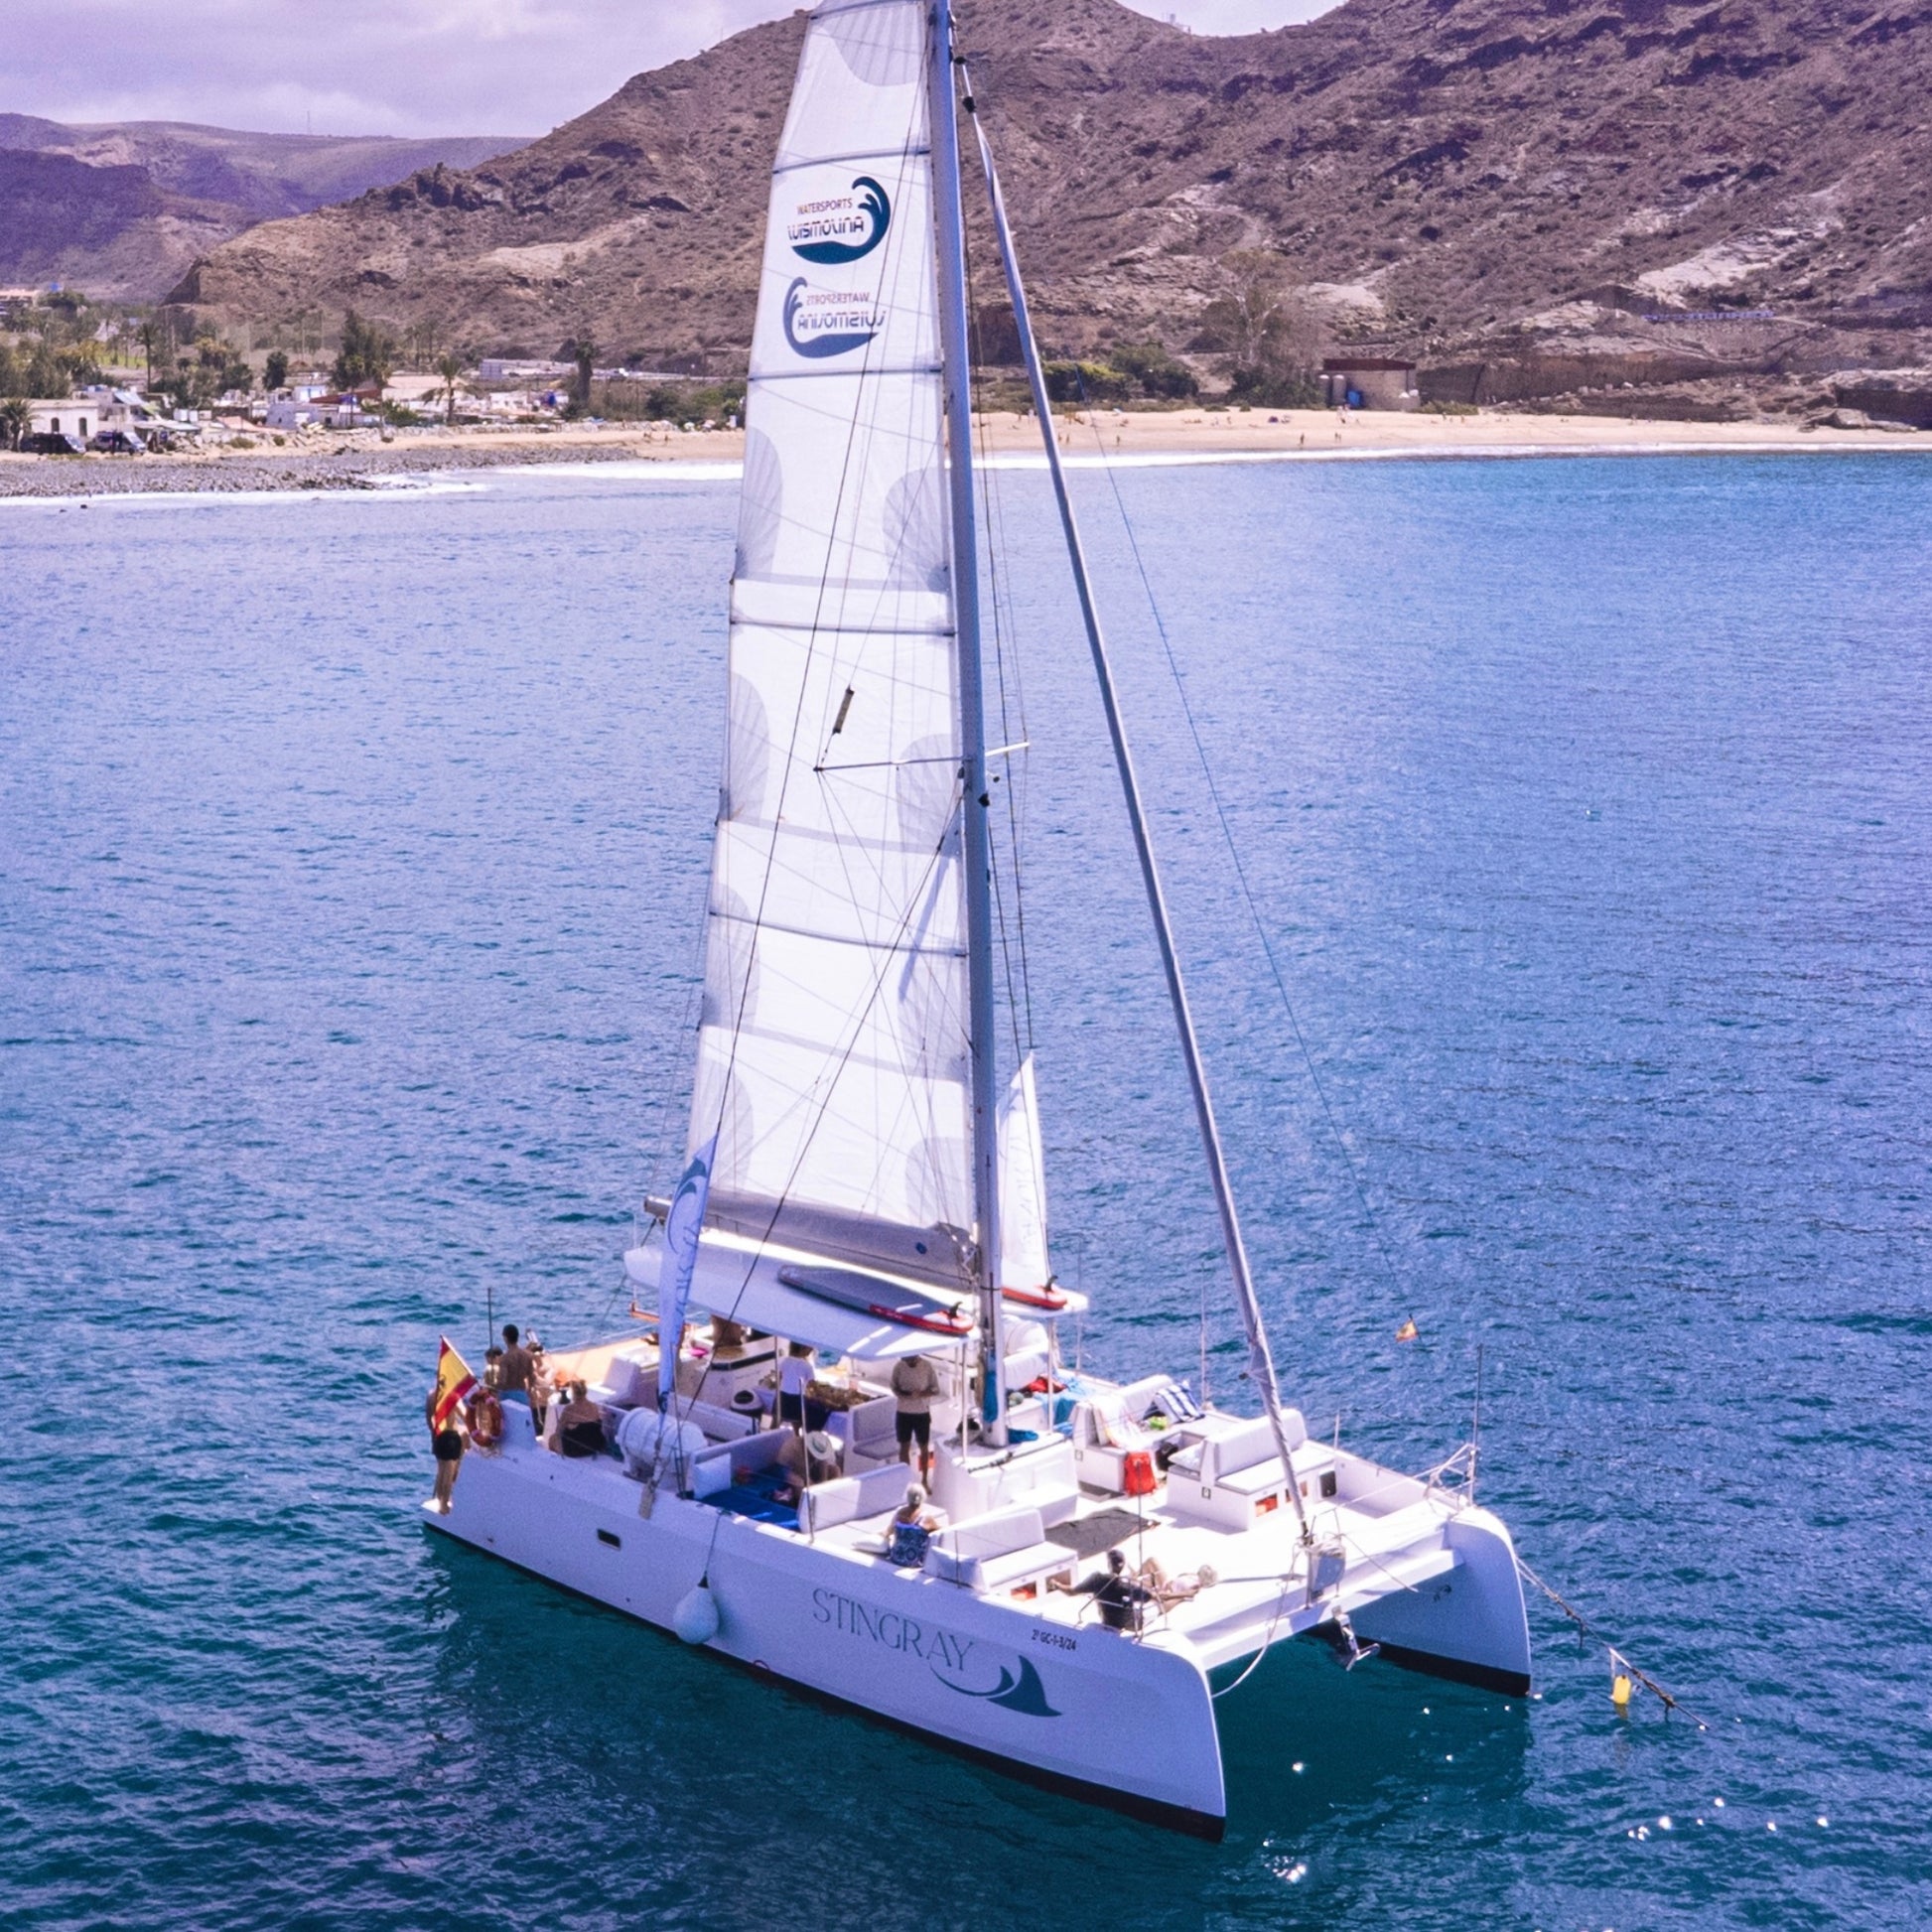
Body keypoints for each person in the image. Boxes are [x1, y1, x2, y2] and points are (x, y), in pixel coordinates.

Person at [1050, 1547, 1155, 1633]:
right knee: (1164, 1603)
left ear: (1109, 1563)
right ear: (1123, 1564)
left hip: (1108, 1622)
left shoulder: (1097, 1579)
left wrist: (1056, 1584)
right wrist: (1167, 1594)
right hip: (1133, 1625)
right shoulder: (1128, 1586)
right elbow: (1151, 1596)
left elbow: (1071, 1592)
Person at [890, 1351, 941, 1485]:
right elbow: (893, 1387)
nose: (907, 1363)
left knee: (923, 1447)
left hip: (921, 1413)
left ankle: (924, 1480)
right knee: (904, 1447)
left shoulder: (927, 1366)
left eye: (909, 1360)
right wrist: (902, 1394)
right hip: (903, 1412)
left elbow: (935, 1389)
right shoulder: (899, 1367)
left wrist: (921, 1394)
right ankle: (904, 1480)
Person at [425, 1386, 465, 1514]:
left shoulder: (431, 1396)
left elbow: (429, 1420)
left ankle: (439, 1499)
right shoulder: (451, 1397)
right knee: (448, 1472)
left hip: (438, 1436)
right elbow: (464, 1415)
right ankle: (444, 1505)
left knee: (441, 1470)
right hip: (450, 1436)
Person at [777, 1427, 842, 1501]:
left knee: (835, 1470)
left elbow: (823, 1464)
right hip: (787, 1470)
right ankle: (804, 1503)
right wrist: (817, 1491)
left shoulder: (819, 1445)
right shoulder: (796, 1449)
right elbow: (804, 1475)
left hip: (808, 1468)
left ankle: (834, 1497)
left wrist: (823, 1484)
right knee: (799, 1482)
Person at [886, 1482, 939, 1568]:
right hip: (915, 1562)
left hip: (896, 1558)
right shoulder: (925, 1517)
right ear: (922, 1497)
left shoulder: (899, 1513)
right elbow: (940, 1532)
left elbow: (888, 1532)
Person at [557, 1379, 605, 1459]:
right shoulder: (594, 1406)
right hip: (595, 1446)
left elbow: (558, 1430)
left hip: (575, 1450)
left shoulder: (569, 1409)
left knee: (552, 1439)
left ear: (573, 1393)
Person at [775, 1341, 815, 1430]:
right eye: (810, 1347)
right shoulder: (807, 1366)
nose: (812, 1349)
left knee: (775, 1423)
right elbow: (812, 1385)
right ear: (802, 1348)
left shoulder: (784, 1361)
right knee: (797, 1426)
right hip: (796, 1399)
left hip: (782, 1396)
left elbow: (780, 1377)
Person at [496, 1323, 535, 1400]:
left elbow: (502, 1381)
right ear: (517, 1337)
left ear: (505, 1338)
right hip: (522, 1395)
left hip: (508, 1396)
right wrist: (530, 1391)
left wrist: (492, 1389)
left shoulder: (505, 1358)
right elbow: (532, 1376)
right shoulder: (528, 1355)